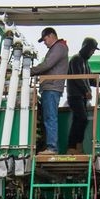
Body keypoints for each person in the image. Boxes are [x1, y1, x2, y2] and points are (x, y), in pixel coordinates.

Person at [31, 27, 69, 155]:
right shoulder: (60, 47)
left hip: (51, 87)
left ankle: (52, 148)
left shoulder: (58, 48)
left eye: (45, 39)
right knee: (49, 118)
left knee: (50, 118)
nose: (44, 43)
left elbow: (47, 64)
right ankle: (51, 147)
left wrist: (30, 71)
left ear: (52, 35)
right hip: (51, 87)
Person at [66, 37, 99, 155]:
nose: (92, 53)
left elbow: (90, 80)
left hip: (81, 97)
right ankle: (73, 147)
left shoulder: (85, 63)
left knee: (79, 120)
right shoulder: (76, 60)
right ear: (86, 48)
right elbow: (78, 77)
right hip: (75, 95)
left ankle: (76, 147)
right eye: (92, 50)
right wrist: (86, 91)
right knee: (81, 119)